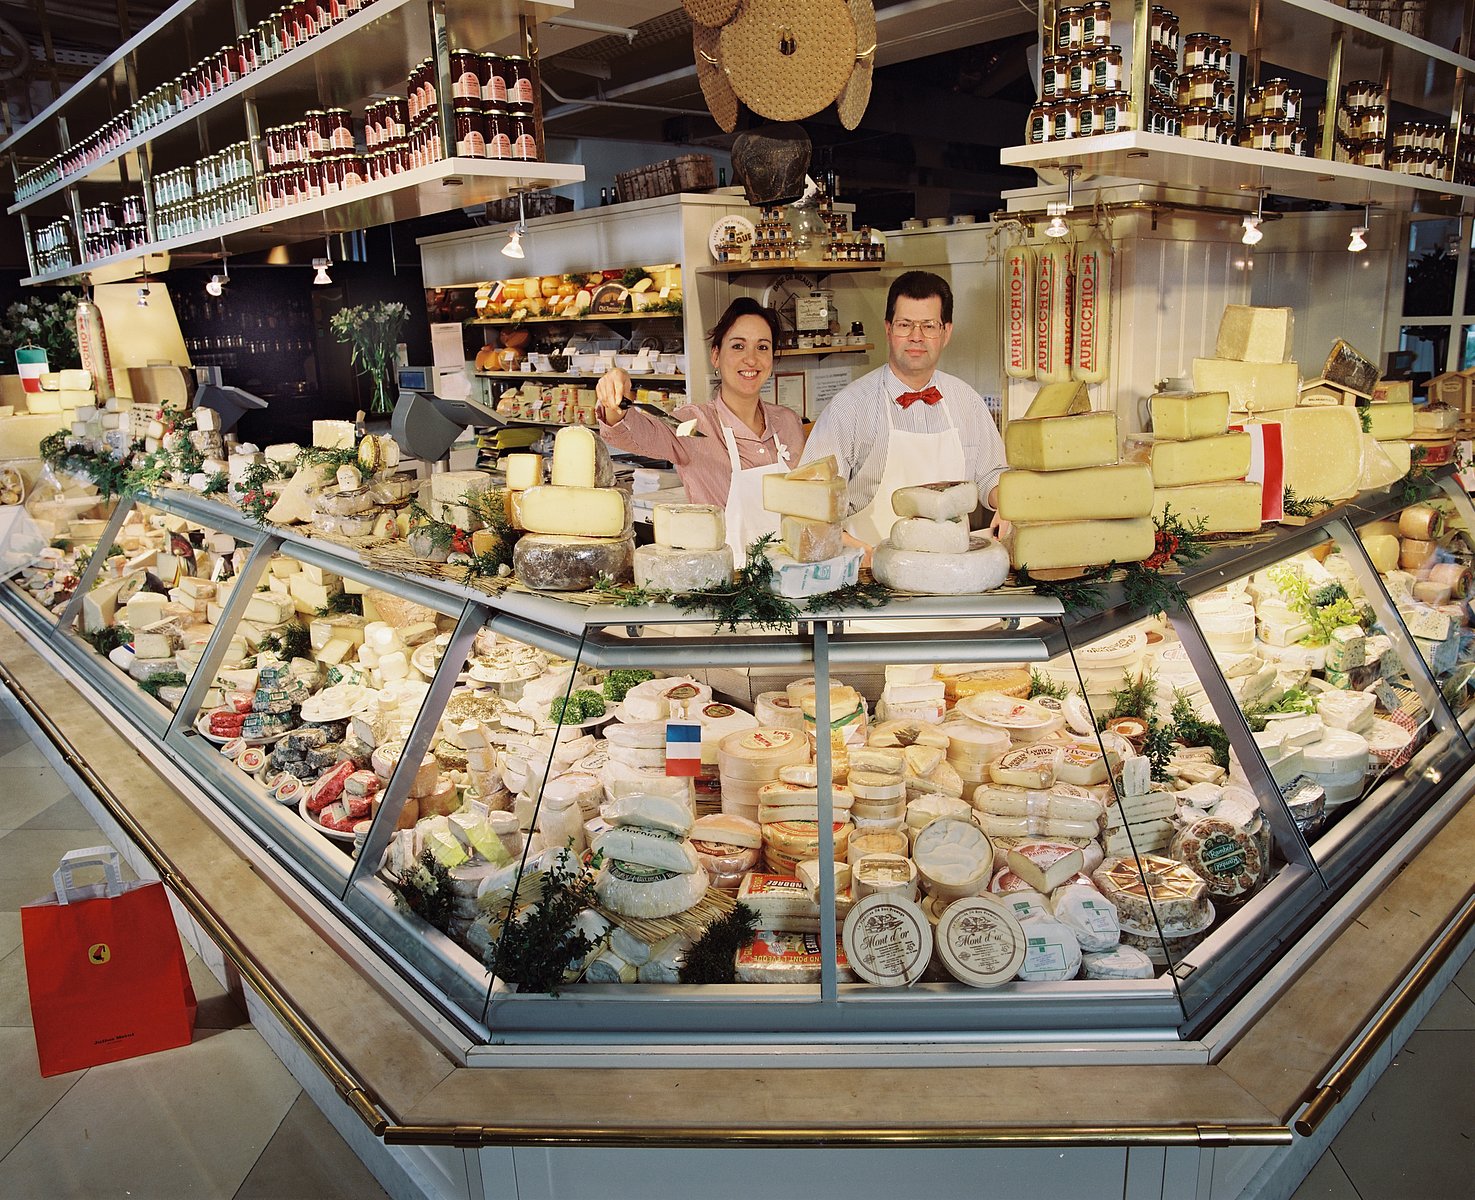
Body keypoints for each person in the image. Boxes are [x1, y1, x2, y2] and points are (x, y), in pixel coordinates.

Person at [798, 270, 1009, 547]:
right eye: (905, 324)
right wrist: (851, 548)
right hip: (871, 573)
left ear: (947, 332)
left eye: (929, 326)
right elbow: (808, 501)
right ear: (888, 329)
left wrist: (1007, 503)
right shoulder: (848, 407)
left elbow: (991, 475)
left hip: (953, 573)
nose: (916, 337)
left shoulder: (967, 401)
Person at [596, 297, 806, 562]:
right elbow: (634, 432)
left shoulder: (788, 422)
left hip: (792, 576)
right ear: (716, 356)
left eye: (762, 347)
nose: (751, 359)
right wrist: (615, 396)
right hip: (728, 585)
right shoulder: (693, 426)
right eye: (738, 346)